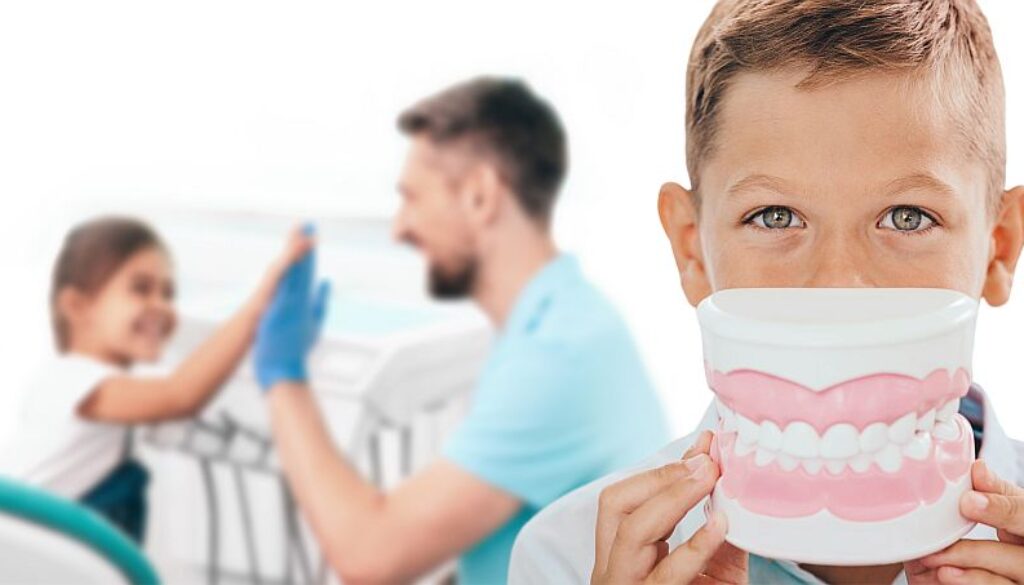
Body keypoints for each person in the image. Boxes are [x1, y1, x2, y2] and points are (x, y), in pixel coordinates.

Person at [509, 0, 1024, 583]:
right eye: (775, 217)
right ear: (691, 250)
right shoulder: (567, 557)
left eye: (908, 217)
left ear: (999, 247)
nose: (836, 288)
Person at [251, 77, 670, 584]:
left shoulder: (560, 354)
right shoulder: (555, 319)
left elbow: (367, 554)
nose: (400, 228)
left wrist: (283, 373)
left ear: (479, 196)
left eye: (412, 198)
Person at [7, 216, 309, 542]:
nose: (161, 306)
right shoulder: (70, 378)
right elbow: (179, 394)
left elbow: (185, 385)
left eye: (168, 294)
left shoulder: (115, 388)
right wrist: (260, 304)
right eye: (141, 289)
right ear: (77, 306)